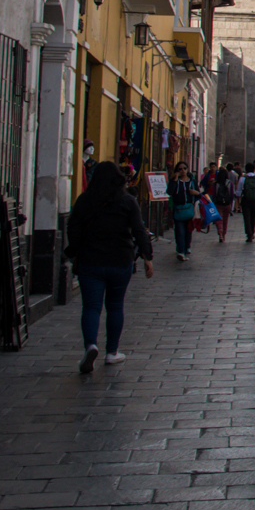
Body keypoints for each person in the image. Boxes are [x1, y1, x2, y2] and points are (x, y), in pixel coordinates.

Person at [66, 160, 153, 373]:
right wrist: (147, 257)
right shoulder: (127, 201)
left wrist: (74, 252)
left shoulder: (84, 200)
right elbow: (139, 230)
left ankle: (91, 346)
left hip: (90, 261)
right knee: (115, 306)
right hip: (120, 260)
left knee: (91, 307)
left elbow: (73, 229)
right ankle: (112, 352)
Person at [165, 162, 196, 262]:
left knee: (188, 230)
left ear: (187, 169)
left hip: (189, 209)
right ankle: (181, 251)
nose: (183, 170)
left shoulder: (192, 182)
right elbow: (169, 192)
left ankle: (187, 247)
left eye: (184, 168)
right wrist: (174, 179)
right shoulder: (175, 181)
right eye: (180, 169)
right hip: (178, 209)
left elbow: (199, 194)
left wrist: (196, 193)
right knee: (180, 231)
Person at [237, 161, 255, 244]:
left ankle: (248, 234)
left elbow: (238, 192)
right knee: (253, 217)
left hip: (245, 200)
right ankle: (252, 233)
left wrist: (238, 201)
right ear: (254, 170)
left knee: (247, 218)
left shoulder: (243, 179)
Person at [210, 162, 235, 244]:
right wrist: (231, 205)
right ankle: (224, 235)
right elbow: (231, 195)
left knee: (219, 220)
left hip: (218, 204)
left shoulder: (216, 184)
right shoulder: (229, 183)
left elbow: (214, 195)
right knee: (225, 220)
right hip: (227, 204)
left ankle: (220, 234)